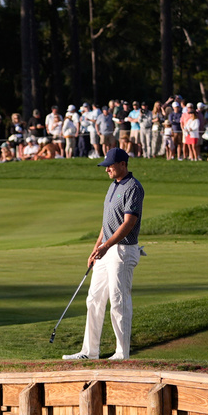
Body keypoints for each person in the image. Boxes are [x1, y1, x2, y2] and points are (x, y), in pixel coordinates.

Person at [62, 147, 144, 361]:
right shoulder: (112, 186)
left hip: (123, 250)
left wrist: (106, 245)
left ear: (123, 164)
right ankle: (90, 352)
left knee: (118, 300)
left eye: (110, 165)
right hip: (106, 250)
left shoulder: (133, 187)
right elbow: (107, 223)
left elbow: (128, 223)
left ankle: (122, 353)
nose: (106, 168)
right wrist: (96, 247)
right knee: (94, 299)